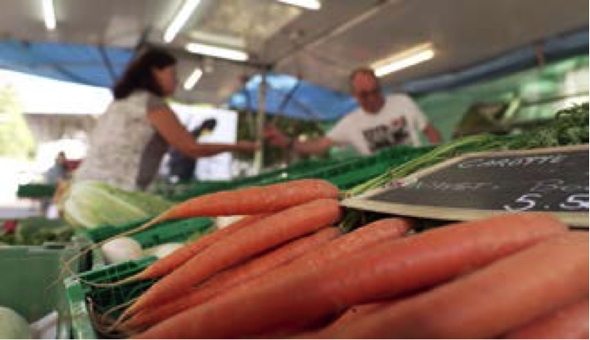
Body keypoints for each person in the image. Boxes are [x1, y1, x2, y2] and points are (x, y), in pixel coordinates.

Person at [71, 48, 257, 191]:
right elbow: (192, 148)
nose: (176, 81)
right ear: (155, 72)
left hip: (86, 187)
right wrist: (239, 146)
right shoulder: (151, 102)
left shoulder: (120, 102)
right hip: (115, 191)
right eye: (173, 74)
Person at [265, 67, 441, 156]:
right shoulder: (351, 122)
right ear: (354, 95)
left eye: (375, 91)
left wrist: (436, 155)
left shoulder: (402, 101)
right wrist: (288, 142)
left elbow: (430, 130)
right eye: (365, 95)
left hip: (417, 169)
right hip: (383, 180)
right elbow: (318, 145)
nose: (372, 98)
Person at [167, 118, 217, 182]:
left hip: (183, 158)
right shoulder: (196, 132)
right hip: (182, 159)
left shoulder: (197, 132)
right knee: (180, 175)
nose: (211, 131)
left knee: (183, 175)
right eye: (211, 128)